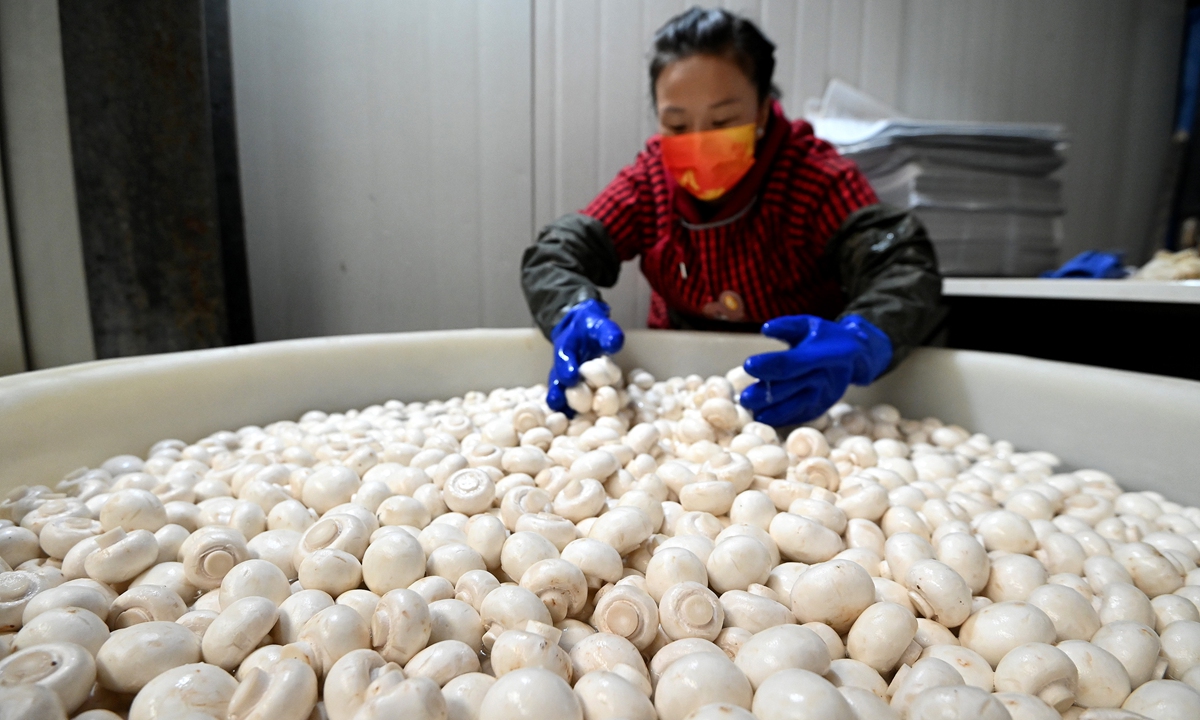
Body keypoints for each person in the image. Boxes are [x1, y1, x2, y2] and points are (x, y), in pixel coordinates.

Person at [521, 6, 945, 427]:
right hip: (681, 389)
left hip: (806, 388)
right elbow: (557, 253)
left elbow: (901, 267)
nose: (700, 144)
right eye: (677, 125)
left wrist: (859, 339)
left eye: (722, 120)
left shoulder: (814, 179)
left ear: (762, 111)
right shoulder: (650, 181)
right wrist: (570, 311)